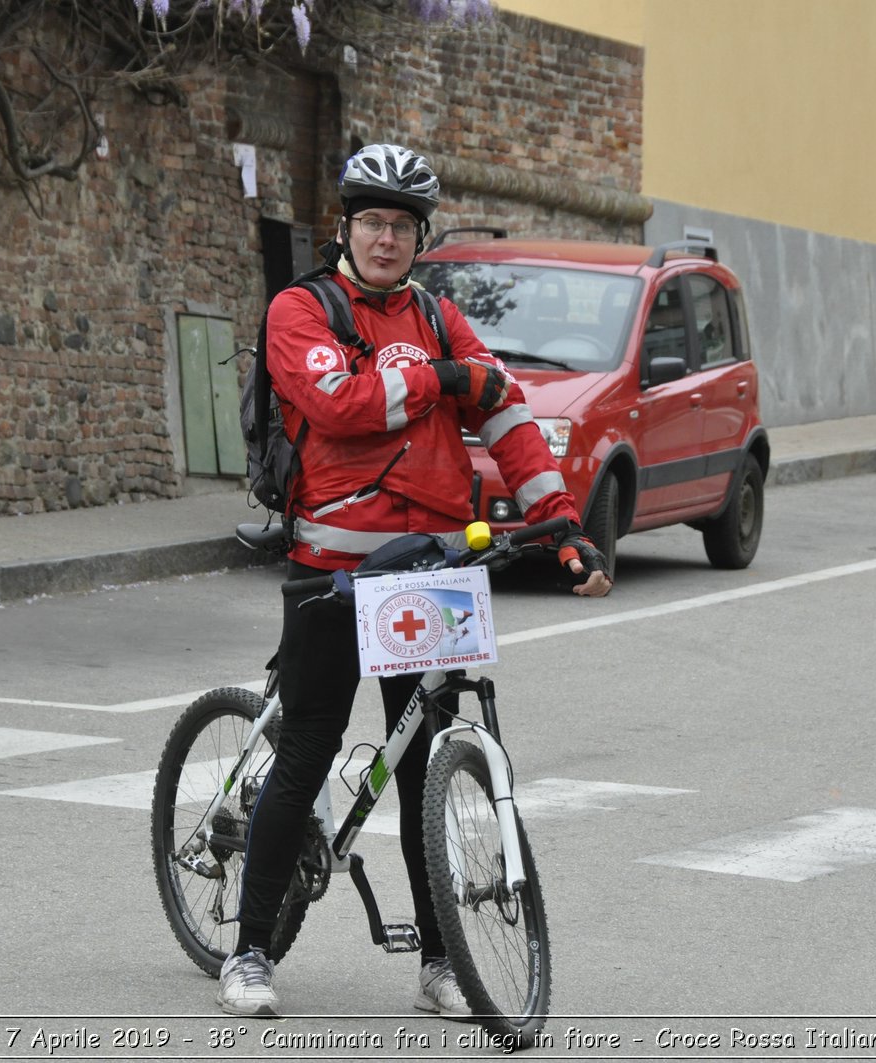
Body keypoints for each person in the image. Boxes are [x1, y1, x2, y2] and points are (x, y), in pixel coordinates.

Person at [216, 144, 613, 1019]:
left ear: (420, 236)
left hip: (430, 571)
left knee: (423, 761)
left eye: (401, 225)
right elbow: (338, 405)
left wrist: (564, 525)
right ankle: (247, 952)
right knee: (310, 747)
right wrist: (442, 381)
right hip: (334, 566)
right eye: (372, 223)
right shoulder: (300, 309)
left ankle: (442, 961)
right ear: (345, 229)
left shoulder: (437, 315)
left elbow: (505, 408)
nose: (386, 238)